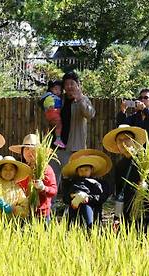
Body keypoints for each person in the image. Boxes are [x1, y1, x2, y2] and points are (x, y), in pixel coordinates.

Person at [52, 72, 95, 202]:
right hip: (57, 146)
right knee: (52, 178)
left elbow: (90, 114)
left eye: (72, 83)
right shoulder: (60, 99)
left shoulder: (83, 99)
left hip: (75, 147)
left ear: (78, 85)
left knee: (74, 179)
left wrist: (80, 99)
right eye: (66, 84)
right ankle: (49, 209)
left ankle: (72, 207)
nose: (69, 86)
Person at [103, 124, 148, 227]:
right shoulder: (120, 165)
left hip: (145, 212)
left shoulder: (145, 161)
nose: (123, 142)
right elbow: (119, 192)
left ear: (134, 141)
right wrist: (117, 218)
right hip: (127, 212)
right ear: (117, 145)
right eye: (119, 140)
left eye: (127, 138)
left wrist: (146, 186)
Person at [9, 134, 58, 222]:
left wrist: (43, 188)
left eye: (33, 150)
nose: (29, 152)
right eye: (26, 149)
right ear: (22, 152)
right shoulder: (19, 169)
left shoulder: (46, 169)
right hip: (21, 213)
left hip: (41, 215)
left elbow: (53, 191)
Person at [61, 154, 110, 229]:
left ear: (92, 170)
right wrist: (73, 196)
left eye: (86, 170)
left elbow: (102, 197)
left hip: (93, 211)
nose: (83, 172)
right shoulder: (72, 182)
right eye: (81, 170)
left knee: (91, 229)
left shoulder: (98, 183)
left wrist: (88, 198)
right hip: (74, 212)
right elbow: (65, 198)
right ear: (77, 171)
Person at [0, 156, 30, 224]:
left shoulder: (18, 190)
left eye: (11, 169)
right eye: (5, 169)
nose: (8, 172)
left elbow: (25, 210)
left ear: (15, 172)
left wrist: (13, 209)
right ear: (0, 171)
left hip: (11, 226)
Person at [41, 80, 65, 148]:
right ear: (51, 89)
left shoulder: (55, 97)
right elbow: (47, 103)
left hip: (51, 114)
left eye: (60, 90)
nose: (58, 91)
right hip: (53, 113)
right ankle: (58, 139)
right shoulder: (50, 96)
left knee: (53, 126)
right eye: (56, 89)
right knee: (59, 125)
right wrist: (50, 106)